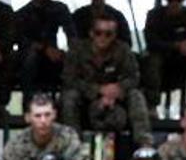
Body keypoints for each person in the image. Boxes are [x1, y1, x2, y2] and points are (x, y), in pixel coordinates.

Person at [61, 16, 151, 146]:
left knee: (136, 95)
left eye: (108, 34)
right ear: (91, 33)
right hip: (85, 98)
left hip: (116, 100)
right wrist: (98, 90)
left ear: (114, 35)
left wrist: (118, 88)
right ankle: (72, 144)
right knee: (69, 97)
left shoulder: (123, 50)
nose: (102, 37)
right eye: (98, 32)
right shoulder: (77, 50)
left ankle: (144, 143)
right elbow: (68, 79)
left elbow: (134, 77)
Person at [0, 93, 85, 160]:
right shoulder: (16, 144)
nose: (43, 121)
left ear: (54, 115)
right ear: (28, 118)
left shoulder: (68, 138)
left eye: (47, 115)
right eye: (38, 116)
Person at [14, 0, 76, 104]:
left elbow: (71, 34)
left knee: (73, 61)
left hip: (53, 56)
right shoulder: (22, 14)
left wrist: (69, 53)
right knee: (30, 57)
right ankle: (29, 105)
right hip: (29, 60)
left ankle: (66, 105)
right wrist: (44, 48)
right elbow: (19, 39)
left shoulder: (59, 9)